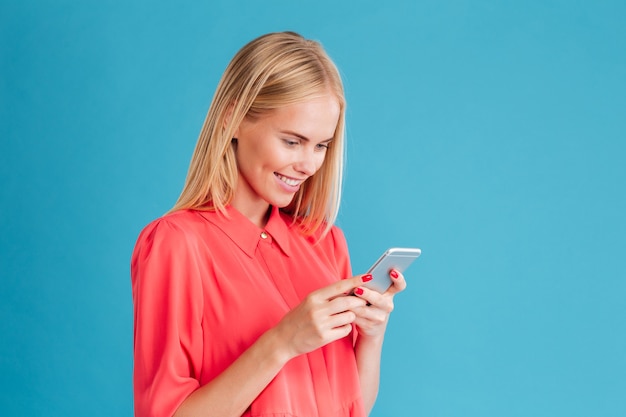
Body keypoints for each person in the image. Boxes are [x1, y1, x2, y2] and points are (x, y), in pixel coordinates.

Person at [131, 31, 406, 417]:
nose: (309, 165)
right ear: (234, 120)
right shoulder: (178, 243)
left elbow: (352, 405)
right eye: (292, 142)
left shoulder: (326, 244)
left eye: (321, 145)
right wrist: (281, 343)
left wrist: (372, 337)